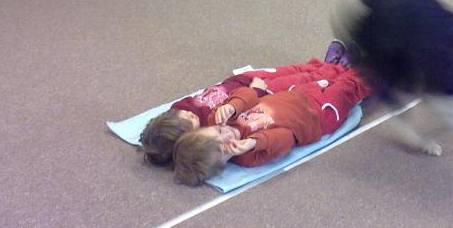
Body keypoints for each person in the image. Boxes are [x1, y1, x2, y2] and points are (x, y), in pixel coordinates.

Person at [139, 40, 351, 167]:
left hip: (243, 80)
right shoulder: (212, 128)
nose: (189, 114)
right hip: (261, 91)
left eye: (182, 115)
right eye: (188, 123)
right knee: (305, 80)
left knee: (296, 70)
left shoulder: (180, 107)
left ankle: (327, 65)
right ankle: (340, 69)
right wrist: (256, 91)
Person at [172, 67, 371, 186]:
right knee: (349, 87)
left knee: (330, 77)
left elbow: (250, 94)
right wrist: (254, 142)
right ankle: (378, 69)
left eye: (219, 131)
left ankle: (354, 64)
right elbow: (286, 137)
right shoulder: (248, 156)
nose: (228, 134)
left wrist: (233, 105)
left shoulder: (219, 118)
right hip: (318, 117)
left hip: (296, 95)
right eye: (224, 147)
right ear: (223, 163)